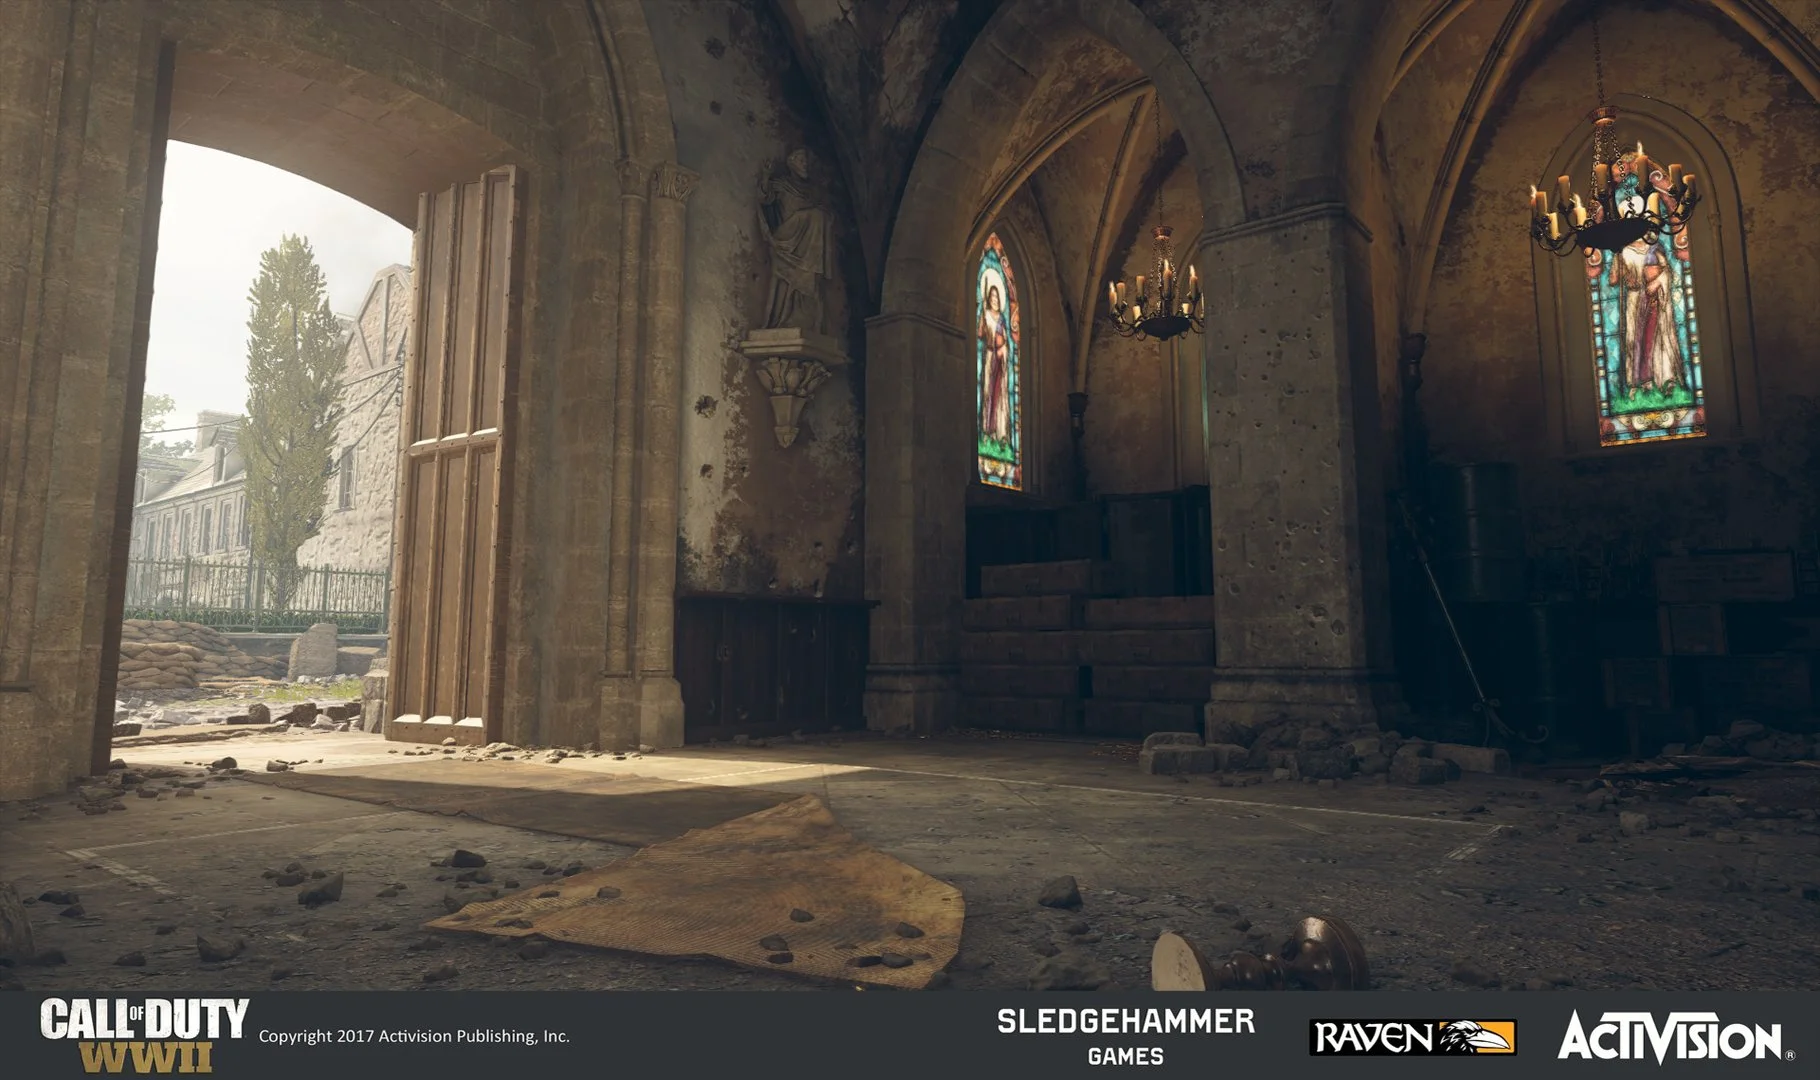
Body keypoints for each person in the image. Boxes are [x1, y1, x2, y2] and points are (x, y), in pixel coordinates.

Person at [1609, 235, 1684, 398]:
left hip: (1655, 296)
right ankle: (1641, 382)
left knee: (1658, 337)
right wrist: (1620, 271)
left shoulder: (1654, 246)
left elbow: (1667, 272)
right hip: (1634, 299)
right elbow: (1613, 279)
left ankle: (1666, 379)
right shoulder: (1621, 251)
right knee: (1635, 340)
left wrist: (1657, 282)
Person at [977, 284, 1011, 444]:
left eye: (997, 297)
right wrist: (982, 317)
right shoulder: (985, 314)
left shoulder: (1002, 319)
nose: (995, 300)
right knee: (988, 393)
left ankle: (1000, 433)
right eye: (992, 297)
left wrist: (1003, 350)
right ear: (989, 299)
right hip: (990, 357)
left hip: (1001, 358)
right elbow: (980, 334)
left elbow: (1005, 339)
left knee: (1000, 395)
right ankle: (986, 430)